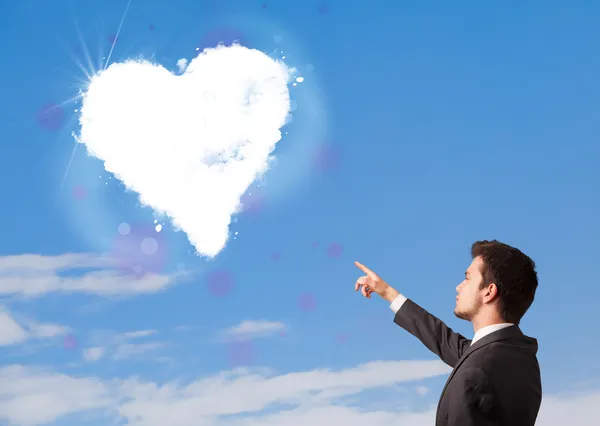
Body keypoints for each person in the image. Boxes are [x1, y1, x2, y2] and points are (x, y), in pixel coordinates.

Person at [354, 240, 542, 426]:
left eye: (468, 278)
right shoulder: (517, 354)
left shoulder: (476, 371)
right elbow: (445, 341)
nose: (458, 286)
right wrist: (388, 292)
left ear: (489, 292)